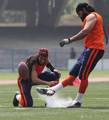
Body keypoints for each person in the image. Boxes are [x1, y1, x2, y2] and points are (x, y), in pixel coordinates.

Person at [36, 3, 105, 108]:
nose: (80, 16)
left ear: (84, 10)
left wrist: (69, 40)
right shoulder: (92, 16)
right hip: (89, 49)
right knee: (73, 74)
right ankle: (52, 90)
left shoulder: (92, 15)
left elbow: (86, 31)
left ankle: (78, 101)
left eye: (80, 13)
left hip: (95, 49)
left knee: (83, 75)